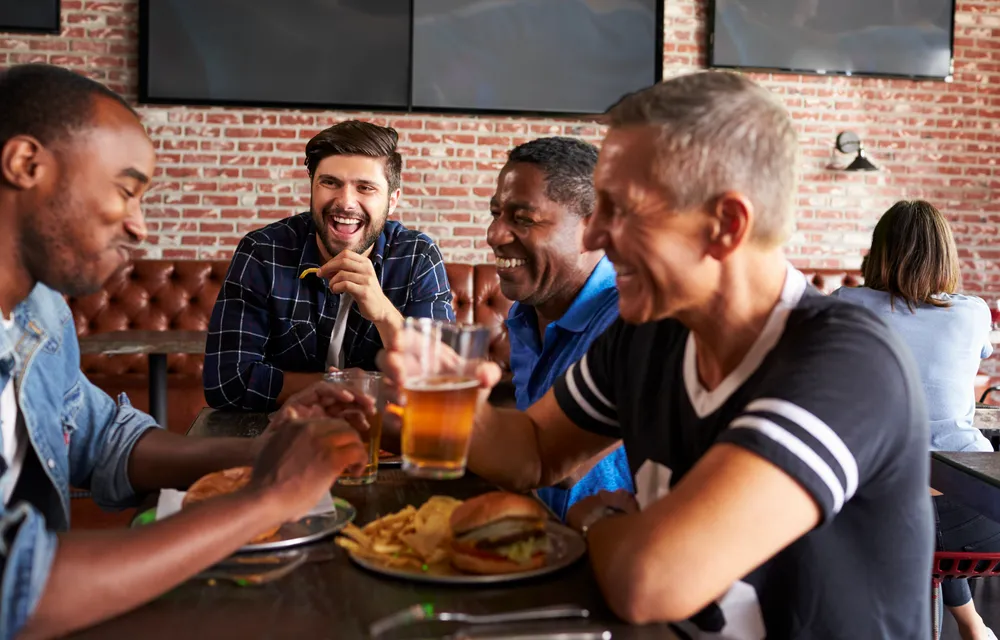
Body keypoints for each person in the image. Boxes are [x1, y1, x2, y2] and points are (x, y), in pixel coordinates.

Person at [379, 71, 933, 637]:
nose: (595, 238)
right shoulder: (650, 332)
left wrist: (594, 523)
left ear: (725, 226)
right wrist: (448, 405)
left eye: (623, 211)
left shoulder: (847, 363)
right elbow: (537, 451)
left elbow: (651, 581)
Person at [0, 63, 369, 640]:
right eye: (126, 191)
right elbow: (14, 592)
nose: (141, 227)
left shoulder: (40, 310)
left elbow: (103, 439)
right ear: (26, 165)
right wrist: (266, 498)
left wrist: (264, 452)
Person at [203, 120, 455, 412]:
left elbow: (440, 385)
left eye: (365, 187)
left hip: (386, 445)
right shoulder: (262, 252)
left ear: (392, 200)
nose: (346, 202)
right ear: (312, 188)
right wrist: (343, 387)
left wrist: (385, 314)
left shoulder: (418, 257)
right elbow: (226, 382)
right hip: (282, 439)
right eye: (330, 183)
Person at [832, 200, 998, 640]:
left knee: (917, 502)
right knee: (941, 490)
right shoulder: (974, 312)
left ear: (879, 252)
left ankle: (960, 623)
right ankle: (972, 623)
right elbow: (977, 356)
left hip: (872, 508)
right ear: (946, 255)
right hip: (978, 516)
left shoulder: (845, 304)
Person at [486, 136, 632, 521]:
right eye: (496, 213)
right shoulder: (524, 311)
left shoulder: (628, 318)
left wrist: (415, 406)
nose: (494, 235)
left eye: (522, 219)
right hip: (544, 539)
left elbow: (554, 466)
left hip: (606, 554)